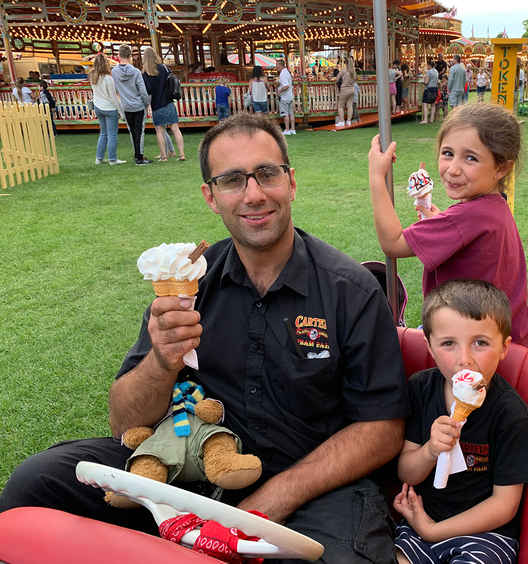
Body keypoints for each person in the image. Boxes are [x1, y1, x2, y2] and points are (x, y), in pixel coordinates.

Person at [0, 113, 409, 562]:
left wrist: (273, 497)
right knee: (35, 484)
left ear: (291, 182)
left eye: (266, 174)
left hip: (310, 485)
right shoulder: (189, 284)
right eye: (232, 180)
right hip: (185, 464)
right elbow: (123, 423)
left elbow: (382, 428)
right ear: (210, 197)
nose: (254, 194)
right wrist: (161, 360)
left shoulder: (348, 290)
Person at [393, 279, 528, 564]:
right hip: (421, 521)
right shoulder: (420, 389)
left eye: (480, 343)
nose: (464, 359)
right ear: (429, 346)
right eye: (448, 344)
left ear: (504, 347)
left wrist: (435, 531)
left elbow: (504, 506)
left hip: (485, 534)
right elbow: (406, 473)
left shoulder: (511, 414)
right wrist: (430, 449)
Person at [368, 103, 528, 348]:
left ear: (502, 167)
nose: (453, 169)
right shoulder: (494, 207)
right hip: (499, 333)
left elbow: (393, 243)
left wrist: (376, 178)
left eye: (471, 158)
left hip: (471, 341)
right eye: (447, 153)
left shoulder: (468, 216)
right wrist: (441, 222)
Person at [142, 46, 186, 162]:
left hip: (156, 104)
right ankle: (182, 154)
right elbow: (172, 80)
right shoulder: (164, 68)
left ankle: (164, 156)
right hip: (168, 102)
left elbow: (148, 90)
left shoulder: (146, 73)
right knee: (175, 128)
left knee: (159, 131)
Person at [112, 44, 152, 165]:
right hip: (138, 105)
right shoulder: (136, 72)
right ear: (130, 56)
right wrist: (147, 104)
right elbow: (143, 91)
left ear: (119, 56)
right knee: (140, 131)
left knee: (132, 131)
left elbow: (116, 90)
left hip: (126, 105)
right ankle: (139, 156)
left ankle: (137, 154)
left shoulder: (114, 72)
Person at [89, 54, 126, 166]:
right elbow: (113, 97)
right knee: (112, 135)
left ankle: (99, 158)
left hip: (98, 107)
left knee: (103, 133)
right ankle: (112, 159)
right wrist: (121, 111)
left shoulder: (92, 77)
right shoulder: (108, 79)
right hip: (109, 108)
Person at [335, 56, 356, 127]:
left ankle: (342, 121)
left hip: (344, 89)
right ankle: (349, 121)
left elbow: (337, 79)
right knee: (350, 106)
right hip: (352, 89)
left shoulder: (344, 71)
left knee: (340, 106)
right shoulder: (353, 71)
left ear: (345, 63)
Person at [276, 58, 296, 135]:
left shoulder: (282, 74)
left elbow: (286, 86)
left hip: (284, 97)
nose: (276, 67)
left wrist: (279, 91)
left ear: (280, 65)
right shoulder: (287, 72)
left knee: (285, 114)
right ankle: (293, 129)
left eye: (277, 65)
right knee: (291, 113)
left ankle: (287, 129)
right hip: (290, 96)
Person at [421, 59, 439, 124]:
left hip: (429, 89)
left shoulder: (429, 72)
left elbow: (426, 82)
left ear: (429, 65)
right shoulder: (436, 71)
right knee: (433, 104)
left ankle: (425, 119)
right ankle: (431, 119)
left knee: (425, 104)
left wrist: (423, 81)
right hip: (435, 88)